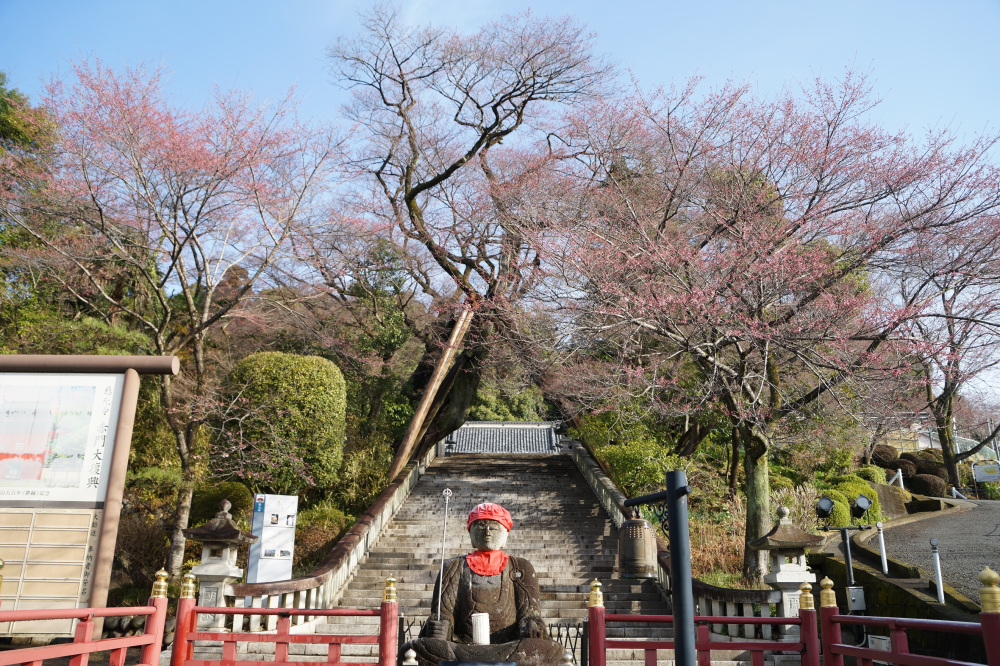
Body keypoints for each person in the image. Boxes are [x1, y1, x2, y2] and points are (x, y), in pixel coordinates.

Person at [403, 502, 566, 666]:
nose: (487, 532)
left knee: (549, 650)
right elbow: (443, 613)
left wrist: (530, 626)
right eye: (480, 526)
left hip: (509, 646)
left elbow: (530, 613)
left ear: (505, 534)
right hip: (461, 646)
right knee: (414, 649)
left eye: (494, 528)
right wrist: (440, 627)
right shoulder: (453, 567)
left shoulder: (521, 568)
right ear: (470, 533)